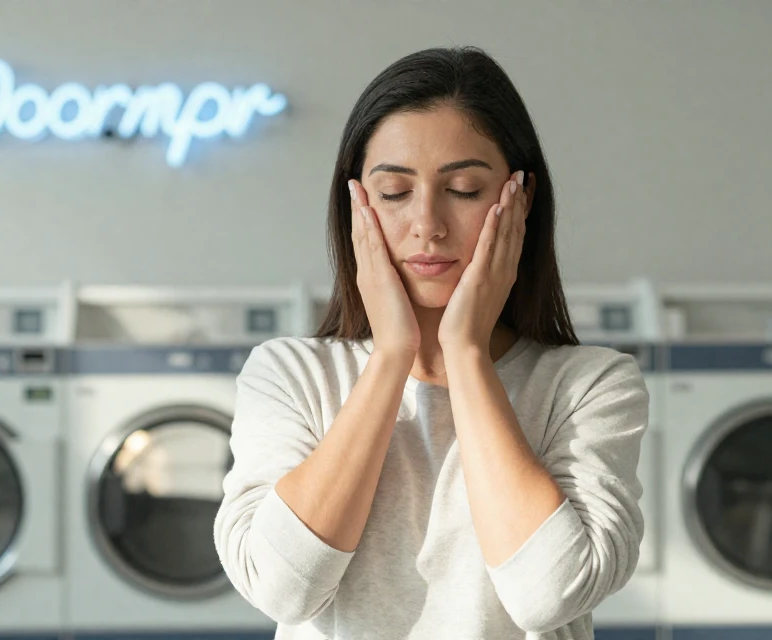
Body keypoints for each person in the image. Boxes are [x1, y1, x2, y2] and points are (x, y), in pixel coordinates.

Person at [213, 46, 649, 640]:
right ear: (355, 207)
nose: (428, 224)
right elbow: (282, 589)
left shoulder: (590, 385)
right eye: (393, 193)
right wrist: (391, 356)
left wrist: (466, 354)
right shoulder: (288, 374)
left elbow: (547, 596)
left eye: (465, 189)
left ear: (519, 201)